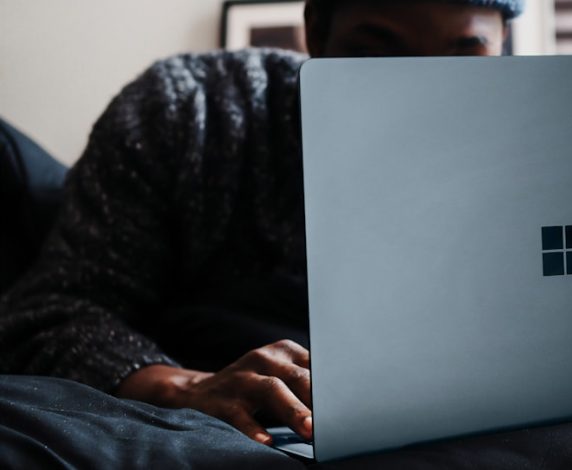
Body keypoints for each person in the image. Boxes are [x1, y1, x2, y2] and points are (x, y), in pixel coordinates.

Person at [0, 0, 520, 446]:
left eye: (462, 60)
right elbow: (51, 314)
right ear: (316, 27)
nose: (414, 101)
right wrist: (182, 387)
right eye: (376, 53)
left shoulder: (538, 150)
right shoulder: (188, 111)